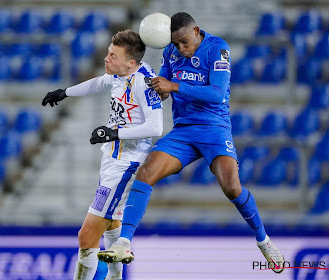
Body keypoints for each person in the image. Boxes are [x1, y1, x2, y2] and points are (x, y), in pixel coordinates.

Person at [97, 12, 285, 274]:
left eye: (184, 42)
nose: (181, 49)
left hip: (214, 128)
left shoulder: (218, 49)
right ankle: (124, 243)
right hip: (184, 130)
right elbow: (162, 89)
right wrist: (147, 90)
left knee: (232, 188)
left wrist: (173, 86)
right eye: (175, 44)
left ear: (196, 31)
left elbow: (217, 94)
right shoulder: (172, 54)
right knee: (146, 173)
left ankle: (263, 241)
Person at [42, 29, 163, 280]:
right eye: (108, 53)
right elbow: (99, 82)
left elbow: (156, 127)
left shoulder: (144, 83)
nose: (106, 59)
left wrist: (114, 132)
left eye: (113, 56)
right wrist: (65, 92)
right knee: (112, 224)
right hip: (112, 159)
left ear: (131, 62)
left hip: (127, 165)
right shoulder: (120, 74)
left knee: (86, 235)